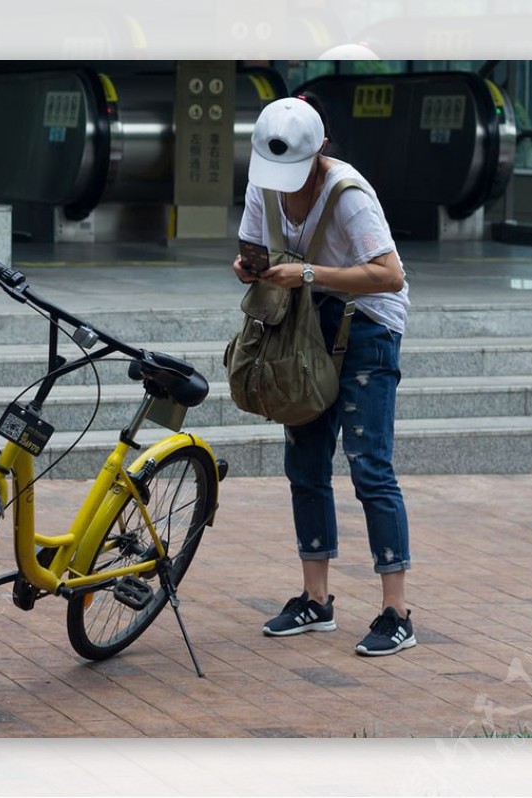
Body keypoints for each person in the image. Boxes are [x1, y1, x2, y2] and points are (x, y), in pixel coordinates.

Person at [234, 96, 415, 656]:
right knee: (305, 462)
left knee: (370, 467)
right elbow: (252, 246)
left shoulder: (349, 193)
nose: (283, 184)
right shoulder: (263, 179)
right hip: (305, 322)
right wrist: (251, 265)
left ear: (321, 152)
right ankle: (316, 601)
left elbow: (390, 274)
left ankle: (397, 611)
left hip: (368, 326)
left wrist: (310, 270)